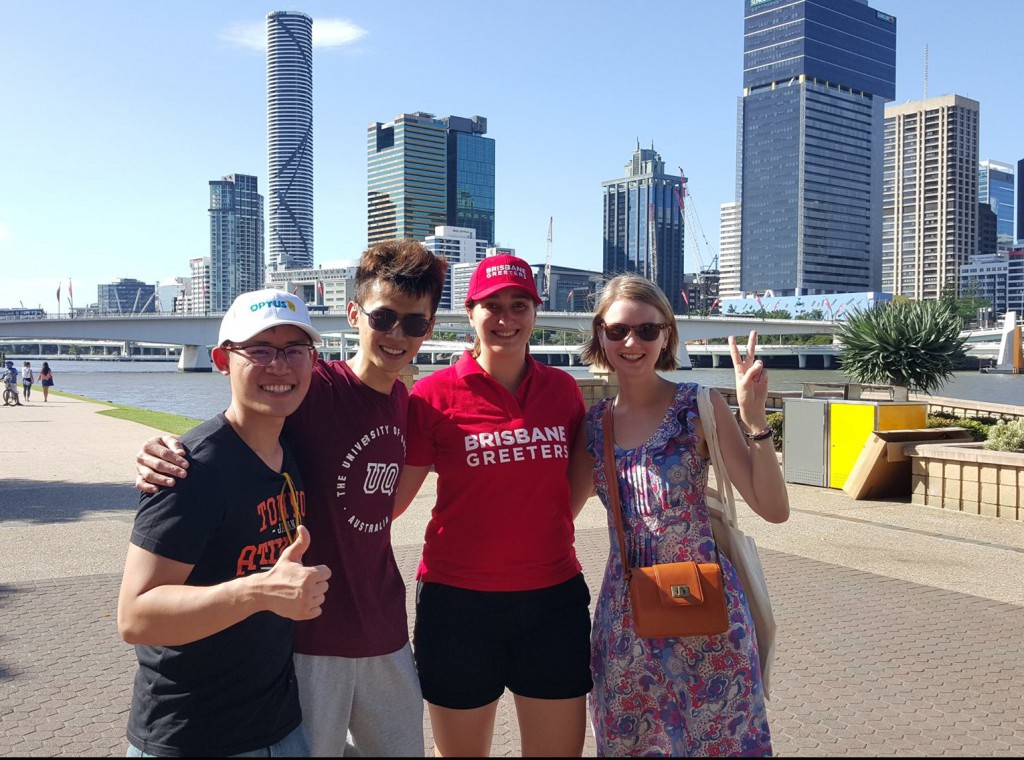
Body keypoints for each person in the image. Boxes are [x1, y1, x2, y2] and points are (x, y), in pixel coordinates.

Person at [134, 240, 449, 757]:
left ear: (428, 330)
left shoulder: (402, 400)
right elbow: (244, 412)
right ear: (354, 315)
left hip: (386, 629)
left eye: (414, 324)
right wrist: (160, 451)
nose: (397, 335)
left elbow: (380, 511)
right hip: (309, 636)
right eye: (384, 317)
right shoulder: (312, 386)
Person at [574, 273, 789, 757]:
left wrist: (756, 421)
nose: (632, 342)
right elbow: (557, 514)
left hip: (705, 608)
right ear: (599, 334)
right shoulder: (593, 425)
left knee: (720, 742)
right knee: (631, 741)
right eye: (618, 331)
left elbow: (773, 510)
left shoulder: (699, 405)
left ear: (667, 334)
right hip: (626, 616)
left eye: (648, 330)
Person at [393, 254, 593, 757]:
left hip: (552, 601)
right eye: (493, 306)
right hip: (458, 603)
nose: (506, 318)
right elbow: (393, 501)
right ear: (470, 313)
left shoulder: (562, 390)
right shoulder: (432, 395)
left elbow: (569, 492)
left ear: (535, 313)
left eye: (519, 305)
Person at [118, 288, 331, 757]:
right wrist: (258, 591)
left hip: (281, 727)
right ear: (221, 359)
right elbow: (136, 617)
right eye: (259, 350)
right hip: (192, 737)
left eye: (295, 350)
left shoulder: (288, 451)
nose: (280, 366)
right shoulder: (191, 468)